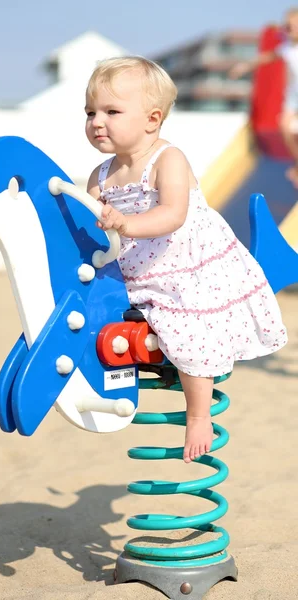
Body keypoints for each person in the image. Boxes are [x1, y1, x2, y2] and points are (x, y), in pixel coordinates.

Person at [84, 56, 288, 463]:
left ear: (152, 119)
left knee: (190, 330)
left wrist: (124, 222)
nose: (96, 122)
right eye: (90, 112)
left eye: (111, 111)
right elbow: (86, 224)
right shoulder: (100, 175)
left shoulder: (168, 160)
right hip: (139, 268)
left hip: (189, 266)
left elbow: (171, 215)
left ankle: (198, 416)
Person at [230, 7, 298, 185]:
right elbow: (265, 57)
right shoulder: (286, 48)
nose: (289, 30)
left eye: (293, 27)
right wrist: (243, 67)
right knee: (284, 126)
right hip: (293, 96)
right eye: (288, 27)